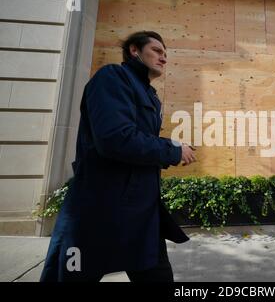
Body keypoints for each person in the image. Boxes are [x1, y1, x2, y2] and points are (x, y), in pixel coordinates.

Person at [40, 31, 196, 282]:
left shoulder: (151, 97)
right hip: (99, 210)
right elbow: (115, 139)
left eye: (165, 53)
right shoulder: (112, 77)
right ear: (135, 50)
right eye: (157, 50)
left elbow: (135, 138)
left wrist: (171, 146)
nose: (163, 57)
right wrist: (173, 150)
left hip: (142, 214)